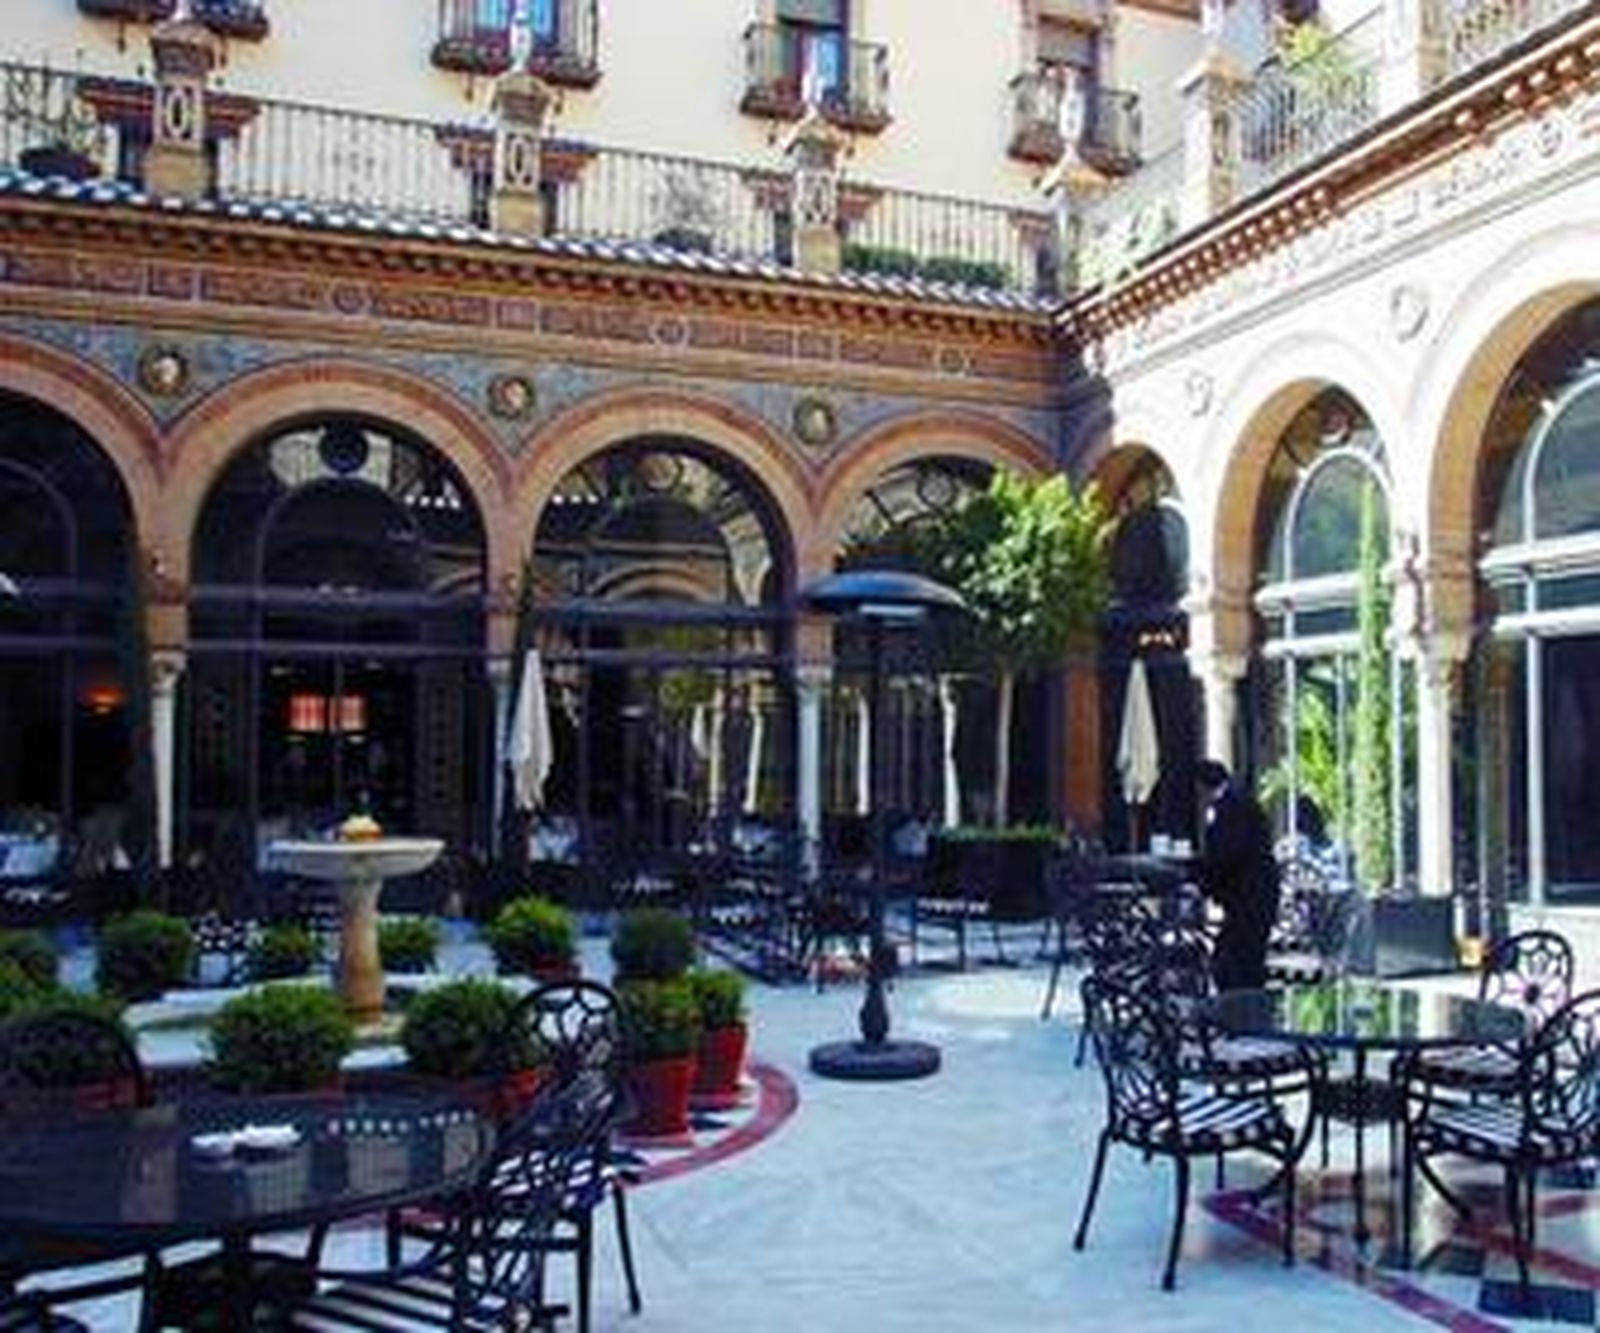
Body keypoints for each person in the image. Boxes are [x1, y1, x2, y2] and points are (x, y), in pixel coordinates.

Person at [1195, 759, 1281, 991]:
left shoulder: (1228, 809)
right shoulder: (1243, 801)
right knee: (1247, 957)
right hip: (1261, 892)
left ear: (1203, 787)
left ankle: (1241, 1014)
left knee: (1234, 961)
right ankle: (1250, 1012)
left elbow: (1226, 855)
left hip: (1249, 896)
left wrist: (1203, 882)